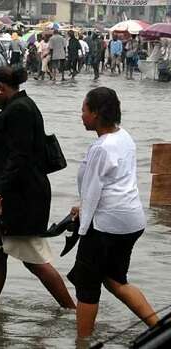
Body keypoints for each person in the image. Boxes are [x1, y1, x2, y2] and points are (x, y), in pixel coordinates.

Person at [68, 87, 159, 338]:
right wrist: (83, 206)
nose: (81, 115)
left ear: (96, 114)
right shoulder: (124, 136)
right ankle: (160, 329)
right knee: (115, 280)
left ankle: (83, 343)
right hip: (130, 220)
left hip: (106, 225)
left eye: (84, 110)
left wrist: (83, 229)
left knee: (87, 288)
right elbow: (113, 182)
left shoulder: (101, 147)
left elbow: (94, 189)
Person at [0, 66, 76, 309]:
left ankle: (71, 310)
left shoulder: (19, 111)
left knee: (33, 258)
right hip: (18, 191)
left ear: (1, 88)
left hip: (22, 196)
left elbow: (19, 156)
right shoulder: (22, 106)